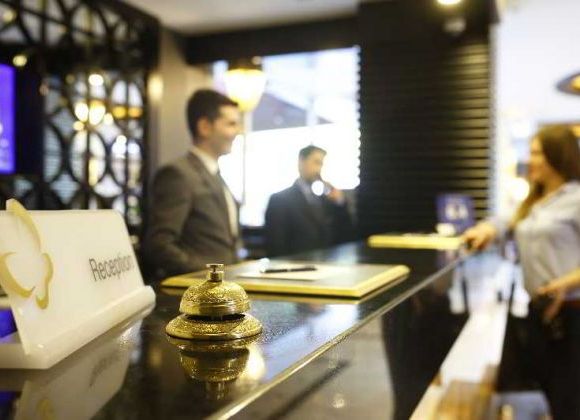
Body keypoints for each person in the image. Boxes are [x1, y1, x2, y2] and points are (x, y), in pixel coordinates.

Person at [463, 125, 580, 419]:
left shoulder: (576, 199)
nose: (530, 160)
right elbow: (505, 221)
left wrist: (565, 284)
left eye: (537, 153)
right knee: (553, 390)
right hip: (541, 310)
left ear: (558, 155)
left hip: (572, 312)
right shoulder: (534, 201)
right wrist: (486, 229)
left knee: (570, 396)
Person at [144, 89, 242, 278]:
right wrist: (209, 275)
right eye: (231, 124)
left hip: (224, 288)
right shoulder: (177, 174)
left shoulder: (216, 174)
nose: (238, 131)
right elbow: (159, 245)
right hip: (198, 290)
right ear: (205, 127)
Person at [264, 145, 353, 257]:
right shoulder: (279, 200)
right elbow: (276, 246)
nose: (319, 169)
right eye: (316, 162)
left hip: (325, 262)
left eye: (321, 164)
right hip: (296, 264)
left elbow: (345, 232)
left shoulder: (324, 200)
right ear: (301, 162)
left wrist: (340, 201)